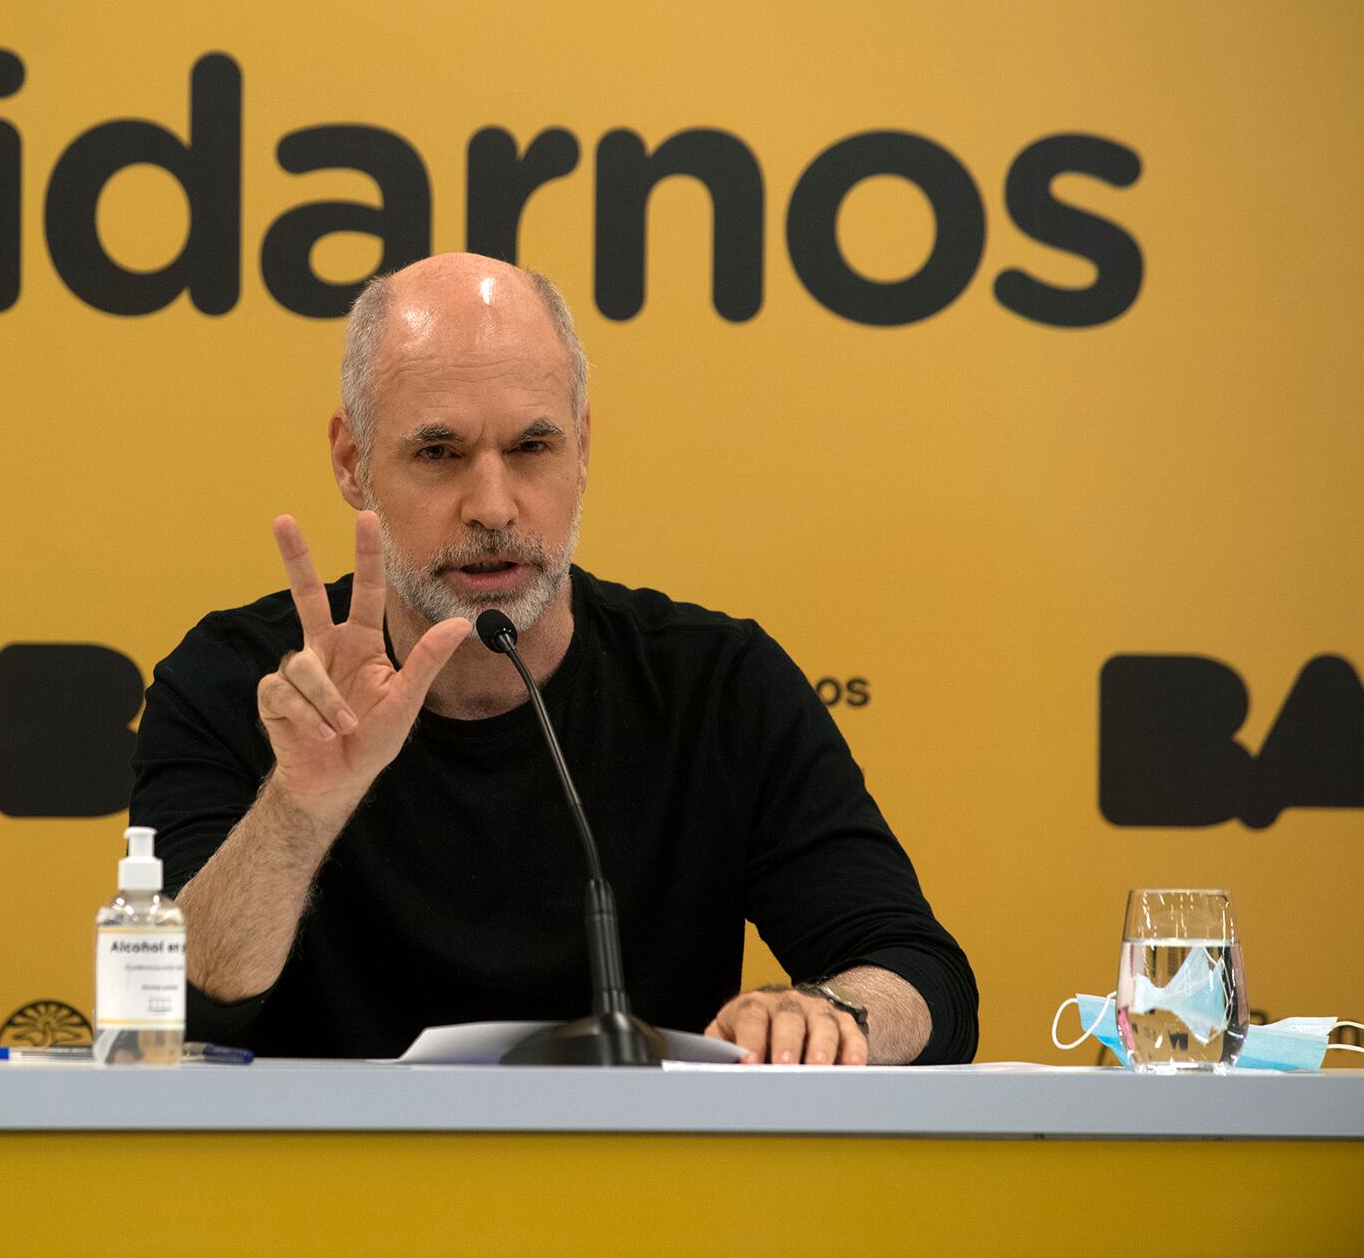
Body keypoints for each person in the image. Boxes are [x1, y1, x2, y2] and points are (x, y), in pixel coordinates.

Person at [130, 252, 977, 1064]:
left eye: (532, 448)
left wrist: (835, 1013)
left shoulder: (715, 686)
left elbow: (919, 973)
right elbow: (176, 999)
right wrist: (301, 805)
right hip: (313, 1196)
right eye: (438, 452)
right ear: (353, 463)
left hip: (647, 1197)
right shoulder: (239, 683)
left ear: (581, 448)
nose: (492, 505)